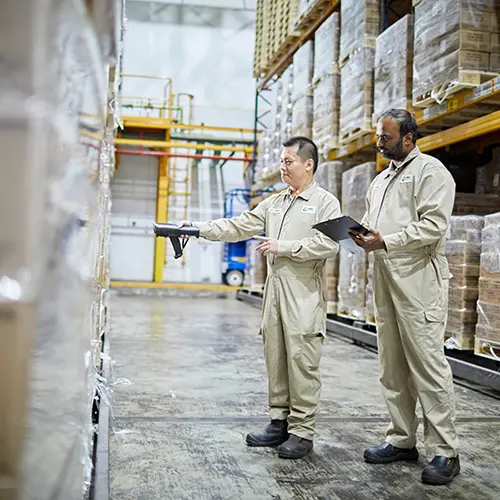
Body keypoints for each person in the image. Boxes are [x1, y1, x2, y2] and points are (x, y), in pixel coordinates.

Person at [180, 136, 341, 459]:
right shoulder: (275, 203)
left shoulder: (325, 203)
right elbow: (237, 226)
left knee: (302, 361)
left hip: (304, 296)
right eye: (281, 161)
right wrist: (198, 229)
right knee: (276, 357)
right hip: (275, 294)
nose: (282, 166)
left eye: (289, 161)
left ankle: (302, 431)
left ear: (308, 164)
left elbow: (330, 245)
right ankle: (279, 421)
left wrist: (285, 247)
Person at [350, 108, 460, 485]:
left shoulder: (431, 173)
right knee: (392, 365)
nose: (379, 143)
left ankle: (445, 451)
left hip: (419, 279)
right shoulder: (380, 181)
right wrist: (361, 235)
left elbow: (433, 226)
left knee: (427, 366)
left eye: (386, 137)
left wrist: (386, 241)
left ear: (409, 138)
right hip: (385, 275)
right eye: (378, 136)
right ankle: (401, 439)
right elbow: (377, 227)